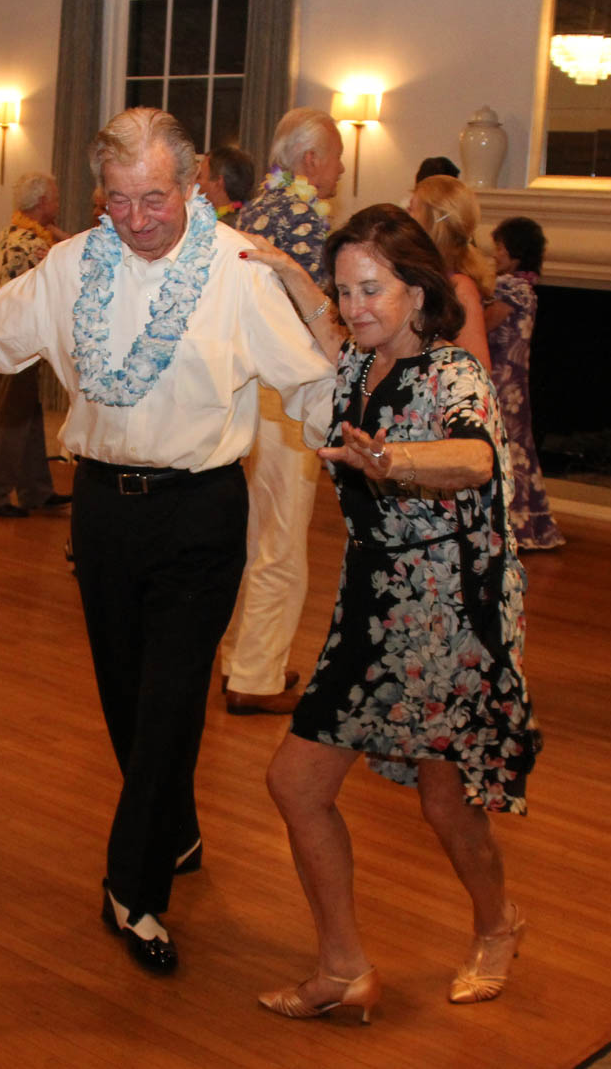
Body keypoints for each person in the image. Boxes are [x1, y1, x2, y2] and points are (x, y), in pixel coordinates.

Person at [0, 107, 336, 975]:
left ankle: (134, 890)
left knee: (170, 699)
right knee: (126, 695)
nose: (138, 219)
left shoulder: (240, 269)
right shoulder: (73, 264)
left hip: (200, 512)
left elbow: (309, 384)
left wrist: (388, 447)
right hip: (105, 511)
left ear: (193, 186)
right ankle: (177, 829)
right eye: (118, 201)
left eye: (154, 198)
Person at [238, 204, 541, 1020]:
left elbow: (476, 456)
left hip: (444, 615)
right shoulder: (351, 366)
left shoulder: (453, 374)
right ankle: (343, 966)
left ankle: (497, 922)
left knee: (445, 802)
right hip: (368, 606)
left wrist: (394, 459)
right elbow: (324, 321)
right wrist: (289, 272)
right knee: (296, 785)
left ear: (416, 291)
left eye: (373, 288)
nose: (356, 305)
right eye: (347, 291)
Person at [220, 107, 344, 716]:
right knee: (281, 537)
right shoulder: (302, 219)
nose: (342, 169)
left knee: (253, 531)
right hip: (287, 393)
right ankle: (255, 676)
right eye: (339, 156)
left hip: (244, 387)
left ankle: (241, 656)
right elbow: (318, 315)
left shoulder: (256, 210)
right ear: (312, 161)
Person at [0, 172, 73, 518]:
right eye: (56, 199)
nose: (58, 205)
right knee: (12, 418)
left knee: (26, 412)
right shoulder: (35, 247)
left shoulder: (7, 236)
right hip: (17, 343)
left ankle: (36, 490)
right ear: (43, 203)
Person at [485, 217, 565, 550]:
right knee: (517, 446)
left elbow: (487, 323)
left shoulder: (510, 288)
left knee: (505, 447)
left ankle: (511, 525)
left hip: (502, 378)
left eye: (501, 246)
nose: (496, 253)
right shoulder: (526, 286)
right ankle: (527, 521)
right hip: (515, 377)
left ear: (516, 251)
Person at [408, 174, 493, 372]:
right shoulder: (422, 274)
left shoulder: (460, 287)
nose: (405, 217)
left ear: (431, 220)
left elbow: (478, 370)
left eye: (412, 209)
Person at [196, 146, 255, 223]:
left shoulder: (222, 229)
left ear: (218, 183)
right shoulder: (246, 218)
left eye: (199, 176)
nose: (193, 181)